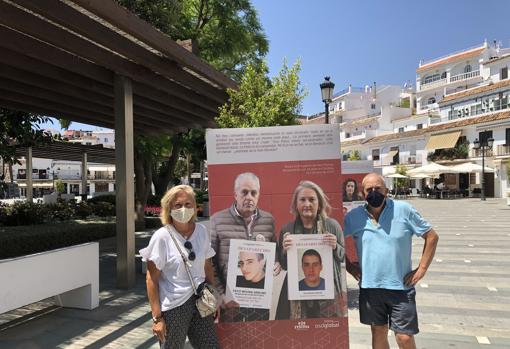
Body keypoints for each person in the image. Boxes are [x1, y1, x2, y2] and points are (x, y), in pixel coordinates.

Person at [344, 173, 439, 349]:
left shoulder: (404, 210)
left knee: (404, 338)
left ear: (386, 190)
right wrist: (350, 267)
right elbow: (336, 243)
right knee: (378, 332)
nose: (374, 192)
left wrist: (422, 269)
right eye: (369, 189)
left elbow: (431, 236)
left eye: (378, 188)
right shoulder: (353, 217)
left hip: (401, 287)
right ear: (362, 193)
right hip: (370, 287)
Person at [139, 185, 219, 349]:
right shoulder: (161, 237)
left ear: (194, 207)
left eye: (188, 204)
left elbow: (207, 265)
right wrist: (157, 318)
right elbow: (151, 279)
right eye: (178, 205)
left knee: (210, 346)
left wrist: (214, 298)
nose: (184, 208)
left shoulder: (202, 231)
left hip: (201, 301)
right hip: (174, 307)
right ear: (169, 209)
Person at [210, 172, 279, 322]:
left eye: (253, 193)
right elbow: (210, 262)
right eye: (244, 192)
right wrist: (220, 293)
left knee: (259, 341)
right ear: (235, 194)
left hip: (259, 301)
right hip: (229, 302)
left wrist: (277, 263)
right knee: (231, 343)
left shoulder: (268, 220)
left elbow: (275, 253)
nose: (249, 197)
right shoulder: (217, 220)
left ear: (258, 195)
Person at [277, 180, 347, 319]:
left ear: (319, 203)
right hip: (295, 295)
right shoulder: (287, 230)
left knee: (325, 335)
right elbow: (284, 265)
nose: (307, 204)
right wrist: (285, 251)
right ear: (296, 205)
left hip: (327, 294)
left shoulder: (332, 226)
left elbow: (343, 256)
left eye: (312, 200)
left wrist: (335, 246)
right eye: (302, 200)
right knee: (296, 336)